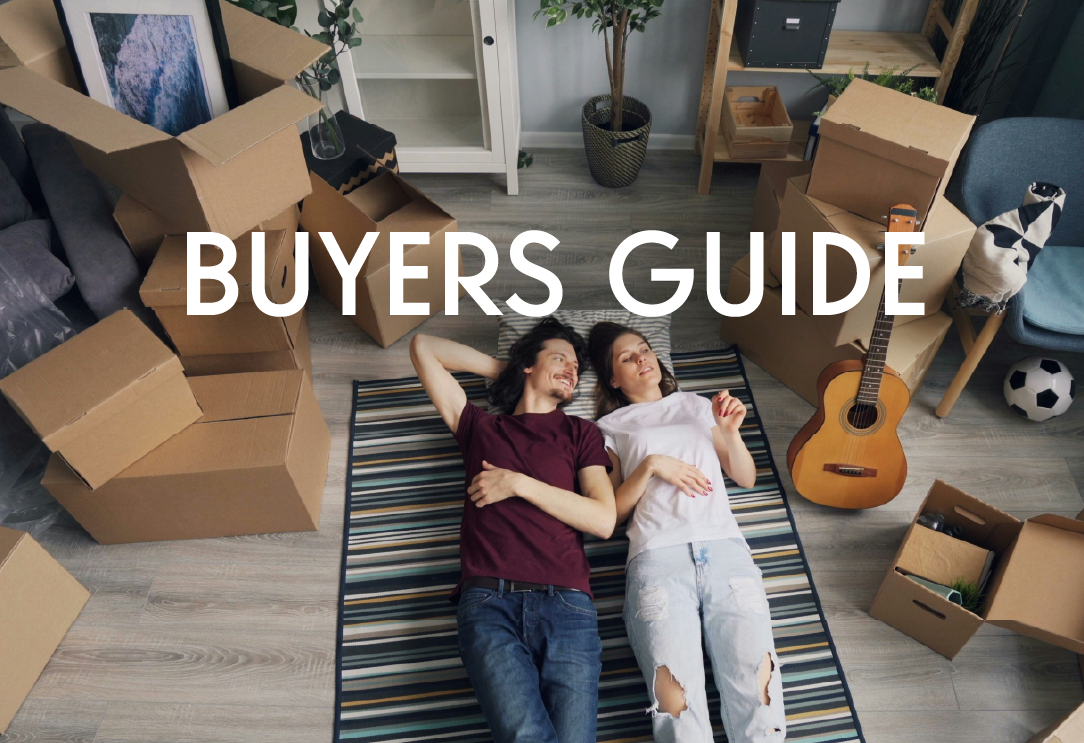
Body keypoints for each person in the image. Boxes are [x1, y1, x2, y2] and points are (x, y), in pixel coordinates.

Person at [409, 318, 616, 743]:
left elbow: (602, 519)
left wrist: (518, 483)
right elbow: (424, 346)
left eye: (577, 366)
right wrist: (509, 365)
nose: (572, 369)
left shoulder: (582, 432)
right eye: (560, 358)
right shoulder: (481, 427)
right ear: (527, 365)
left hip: (568, 607)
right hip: (489, 604)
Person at [588, 321, 786, 743]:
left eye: (644, 349)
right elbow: (613, 514)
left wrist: (730, 433)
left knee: (759, 688)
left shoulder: (697, 406)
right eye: (627, 357)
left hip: (726, 552)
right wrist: (652, 465)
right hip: (658, 560)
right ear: (612, 379)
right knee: (677, 703)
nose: (642, 358)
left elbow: (745, 477)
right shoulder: (611, 428)